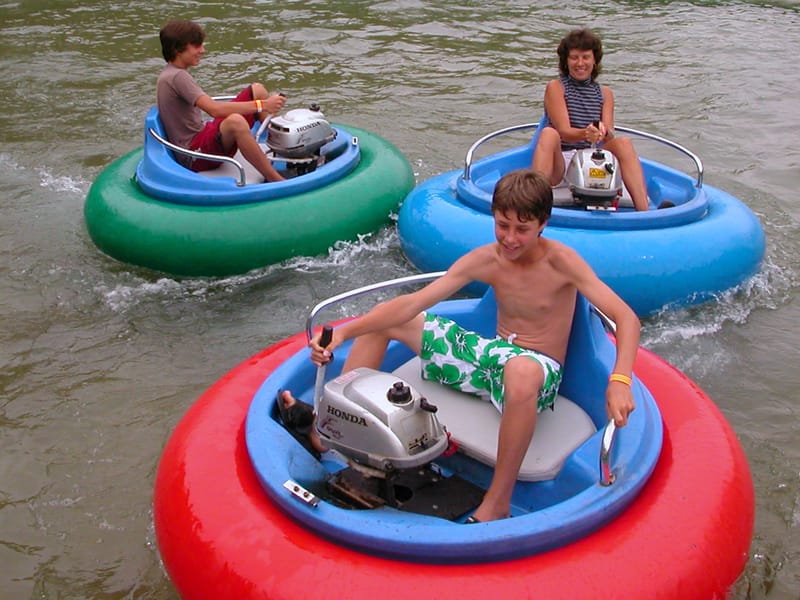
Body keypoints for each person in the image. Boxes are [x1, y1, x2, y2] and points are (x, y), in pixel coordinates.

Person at [280, 168, 640, 523]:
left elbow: (626, 318)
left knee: (521, 370)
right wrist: (345, 333)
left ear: (542, 224)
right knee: (387, 320)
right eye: (502, 225)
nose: (510, 238)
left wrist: (620, 380)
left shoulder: (562, 262)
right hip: (488, 358)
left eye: (522, 229)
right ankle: (326, 432)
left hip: (534, 370)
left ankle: (498, 500)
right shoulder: (488, 258)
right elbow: (414, 302)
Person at [532, 28, 650, 211]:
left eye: (586, 57)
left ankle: (644, 212)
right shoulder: (556, 87)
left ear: (594, 60)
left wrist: (603, 131)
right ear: (566, 61)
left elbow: (609, 137)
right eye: (574, 57)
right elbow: (564, 131)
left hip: (592, 156)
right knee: (549, 134)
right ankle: (533, 206)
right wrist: (585, 133)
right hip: (561, 160)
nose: (580, 63)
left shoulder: (605, 94)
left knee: (624, 143)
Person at [156, 19, 286, 182]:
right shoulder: (177, 77)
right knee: (236, 122)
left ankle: (283, 141)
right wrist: (263, 105)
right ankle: (274, 178)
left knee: (256, 90)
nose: (203, 50)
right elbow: (214, 109)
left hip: (202, 135)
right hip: (195, 153)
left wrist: (259, 103)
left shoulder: (172, 73)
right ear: (177, 49)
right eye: (197, 46)